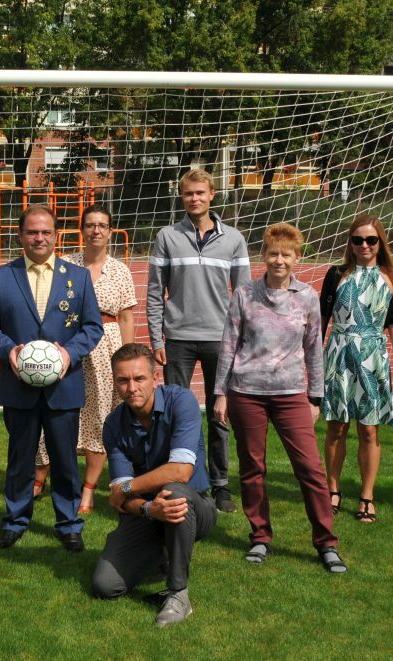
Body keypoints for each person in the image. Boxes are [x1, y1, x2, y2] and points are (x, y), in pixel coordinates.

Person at [212, 223, 346, 572]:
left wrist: (315, 396)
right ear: (264, 256)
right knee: (253, 468)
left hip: (290, 394)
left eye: (286, 254)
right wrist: (220, 393)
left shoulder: (308, 297)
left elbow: (314, 348)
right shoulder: (244, 294)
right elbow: (229, 344)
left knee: (311, 469)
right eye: (273, 253)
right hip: (246, 393)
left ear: (297, 258)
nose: (279, 260)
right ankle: (259, 536)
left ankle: (326, 543)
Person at [0, 205, 103, 552]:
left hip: (64, 386)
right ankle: (16, 520)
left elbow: (92, 327)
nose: (39, 238)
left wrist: (68, 353)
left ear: (56, 235)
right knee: (20, 458)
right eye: (32, 232)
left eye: (46, 232)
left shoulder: (76, 277)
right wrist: (9, 351)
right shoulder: (3, 276)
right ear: (20, 236)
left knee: (65, 459)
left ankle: (68, 523)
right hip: (19, 386)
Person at [146, 167, 250, 513]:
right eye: (189, 193)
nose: (195, 199)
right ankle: (184, 480)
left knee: (220, 415)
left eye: (200, 193)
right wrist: (157, 340)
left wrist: (242, 342)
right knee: (176, 413)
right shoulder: (167, 236)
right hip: (177, 339)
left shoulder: (234, 239)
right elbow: (154, 292)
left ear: (212, 195)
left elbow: (244, 297)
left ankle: (220, 484)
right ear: (182, 196)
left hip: (220, 340)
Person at [92, 343, 217, 627]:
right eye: (123, 380)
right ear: (115, 383)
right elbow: (122, 502)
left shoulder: (181, 401)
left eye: (139, 378)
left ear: (155, 379)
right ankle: (162, 555)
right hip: (148, 512)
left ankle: (178, 594)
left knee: (173, 492)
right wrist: (149, 509)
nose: (131, 387)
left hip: (195, 507)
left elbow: (180, 471)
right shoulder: (113, 425)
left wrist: (126, 488)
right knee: (105, 585)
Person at [33, 204, 137, 514]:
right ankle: (39, 475)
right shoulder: (66, 266)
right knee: (56, 412)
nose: (95, 230)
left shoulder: (120, 271)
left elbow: (127, 317)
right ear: (82, 229)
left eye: (102, 225)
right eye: (90, 224)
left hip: (107, 350)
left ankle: (88, 489)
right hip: (71, 347)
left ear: (109, 230)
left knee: (100, 418)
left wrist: (127, 358)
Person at [319, 215, 393, 525]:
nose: (364, 246)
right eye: (358, 240)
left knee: (369, 429)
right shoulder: (336, 274)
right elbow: (322, 318)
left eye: (371, 240)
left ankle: (366, 496)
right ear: (350, 243)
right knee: (336, 427)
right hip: (338, 354)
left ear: (380, 242)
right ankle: (332, 489)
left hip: (373, 356)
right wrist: (314, 360)